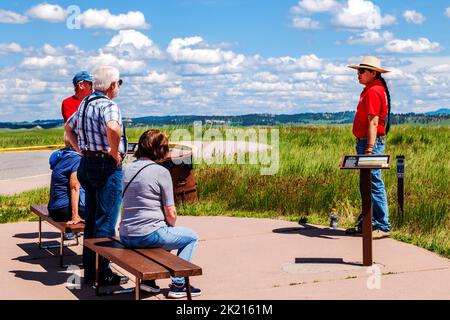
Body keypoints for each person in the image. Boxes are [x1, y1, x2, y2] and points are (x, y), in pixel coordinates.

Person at [65, 66, 128, 286]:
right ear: (112, 85)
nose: (119, 87)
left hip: (87, 163)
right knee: (107, 220)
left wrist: (80, 150)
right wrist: (113, 151)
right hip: (105, 166)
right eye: (119, 83)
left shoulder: (85, 103)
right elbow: (113, 127)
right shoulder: (109, 106)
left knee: (91, 220)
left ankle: (91, 270)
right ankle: (104, 273)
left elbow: (68, 128)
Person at [119, 129, 201, 298]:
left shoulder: (127, 169)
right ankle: (178, 284)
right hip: (148, 235)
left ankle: (148, 282)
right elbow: (171, 212)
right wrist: (168, 228)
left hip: (126, 234)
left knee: (164, 233)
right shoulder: (161, 172)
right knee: (190, 237)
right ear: (159, 150)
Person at [346, 56, 392, 239]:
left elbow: (373, 122)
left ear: (373, 73)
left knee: (373, 181)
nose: (358, 74)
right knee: (367, 182)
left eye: (361, 71)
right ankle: (367, 222)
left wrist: (369, 149)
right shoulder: (372, 89)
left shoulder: (373, 91)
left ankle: (382, 225)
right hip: (366, 142)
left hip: (369, 143)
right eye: (358, 71)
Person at [47, 139, 85, 240]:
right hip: (63, 211)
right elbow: (74, 187)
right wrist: (75, 216)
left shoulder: (63, 155)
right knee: (99, 209)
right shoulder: (77, 159)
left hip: (53, 208)